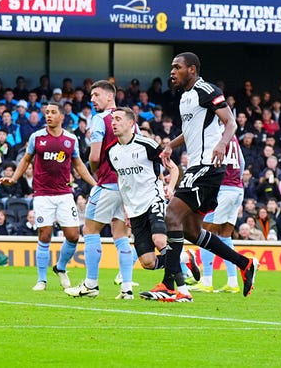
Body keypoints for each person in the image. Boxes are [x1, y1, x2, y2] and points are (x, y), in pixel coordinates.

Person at [144, 52, 257, 302]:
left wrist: (222, 145)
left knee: (171, 215)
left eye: (177, 67)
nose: (172, 71)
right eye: (171, 67)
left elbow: (230, 123)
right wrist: (171, 145)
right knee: (192, 232)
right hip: (198, 165)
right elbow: (191, 131)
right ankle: (245, 263)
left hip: (207, 165)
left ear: (192, 70)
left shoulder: (206, 89)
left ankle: (171, 285)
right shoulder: (186, 97)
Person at [0, 101, 95, 291]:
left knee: (74, 235)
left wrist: (95, 184)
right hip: (43, 194)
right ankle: (41, 280)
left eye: (53, 112)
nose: (49, 115)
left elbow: (78, 165)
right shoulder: (37, 137)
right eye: (47, 112)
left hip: (64, 194)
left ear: (62, 117)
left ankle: (60, 267)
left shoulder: (71, 139)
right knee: (45, 235)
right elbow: (26, 160)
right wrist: (13, 179)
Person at [67, 80, 136, 299]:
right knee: (120, 234)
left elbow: (95, 156)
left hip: (107, 183)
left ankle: (91, 284)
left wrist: (96, 173)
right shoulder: (128, 119)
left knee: (90, 230)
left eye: (96, 95)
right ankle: (126, 288)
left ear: (109, 96)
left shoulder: (100, 119)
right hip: (126, 185)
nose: (92, 99)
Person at [106, 108, 178, 276]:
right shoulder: (111, 152)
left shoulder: (147, 145)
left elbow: (173, 168)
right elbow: (122, 182)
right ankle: (183, 259)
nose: (113, 123)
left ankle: (179, 288)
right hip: (133, 208)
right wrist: (125, 209)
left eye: (118, 119)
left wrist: (170, 187)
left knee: (159, 240)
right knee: (148, 262)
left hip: (154, 198)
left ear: (131, 123)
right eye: (112, 120)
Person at [191, 132, 248, 293]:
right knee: (225, 235)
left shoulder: (215, 134)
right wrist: (237, 182)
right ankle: (232, 282)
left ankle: (207, 281)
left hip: (222, 188)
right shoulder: (233, 136)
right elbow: (242, 162)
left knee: (205, 233)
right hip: (236, 188)